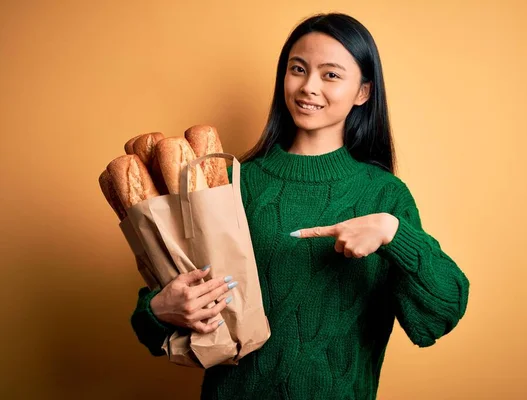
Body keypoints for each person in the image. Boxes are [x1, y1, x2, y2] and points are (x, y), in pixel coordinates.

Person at [130, 12, 470, 400]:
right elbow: (153, 322)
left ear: (363, 92)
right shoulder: (232, 184)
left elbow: (440, 313)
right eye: (298, 69)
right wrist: (159, 309)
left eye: (331, 75)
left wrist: (394, 233)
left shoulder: (385, 197)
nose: (308, 87)